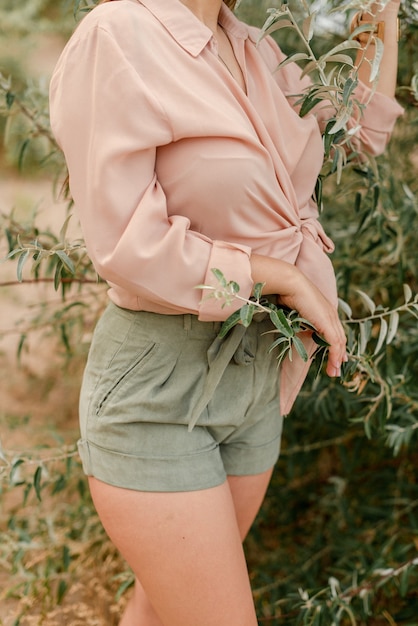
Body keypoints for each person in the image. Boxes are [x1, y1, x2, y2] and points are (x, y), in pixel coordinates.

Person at [49, 0, 403, 624]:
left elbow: (356, 128)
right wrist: (277, 275)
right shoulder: (120, 34)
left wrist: (384, 17)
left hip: (255, 378)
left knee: (161, 611)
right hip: (160, 388)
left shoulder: (252, 48)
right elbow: (125, 242)